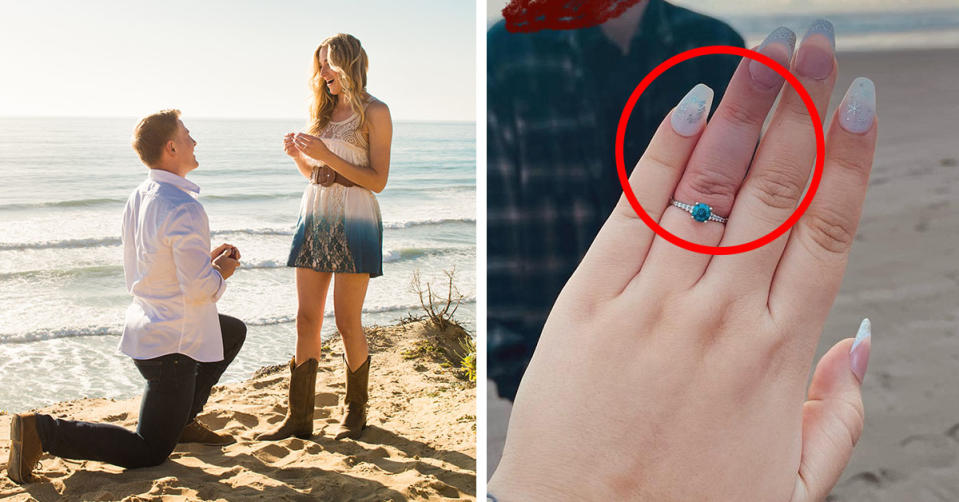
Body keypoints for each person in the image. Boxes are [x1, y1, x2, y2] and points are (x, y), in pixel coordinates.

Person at [489, 18, 880, 500]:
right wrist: (523, 377)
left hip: (717, 354)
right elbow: (500, 234)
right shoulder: (506, 56)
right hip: (557, 368)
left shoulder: (708, 41)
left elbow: (754, 199)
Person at [487, 0, 747, 401]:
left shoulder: (715, 46)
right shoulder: (508, 53)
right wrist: (512, 361)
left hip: (692, 342)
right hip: (554, 353)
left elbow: (743, 214)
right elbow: (496, 221)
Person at [7, 110, 247, 483]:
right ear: (171, 147)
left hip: (146, 328)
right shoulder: (185, 207)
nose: (194, 141)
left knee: (231, 331)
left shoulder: (141, 195)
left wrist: (205, 260)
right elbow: (201, 290)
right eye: (187, 135)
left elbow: (156, 262)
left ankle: (182, 420)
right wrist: (220, 272)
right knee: (148, 450)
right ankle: (41, 430)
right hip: (174, 348)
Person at [258, 33, 392, 441]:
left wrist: (326, 153)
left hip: (356, 218)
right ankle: (299, 419)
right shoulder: (321, 110)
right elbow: (318, 175)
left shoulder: (376, 112)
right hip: (315, 214)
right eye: (319, 66)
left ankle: (355, 413)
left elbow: (378, 181)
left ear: (349, 63)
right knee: (306, 319)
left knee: (347, 320)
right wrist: (301, 157)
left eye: (329, 65)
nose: (323, 74)